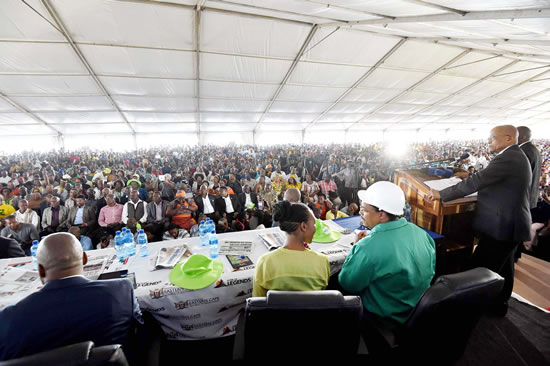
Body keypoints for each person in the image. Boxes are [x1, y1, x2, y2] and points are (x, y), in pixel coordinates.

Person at [428, 125, 531, 316]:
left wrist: (441, 194)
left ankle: (467, 311)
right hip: (511, 224)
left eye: (492, 138)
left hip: (502, 227)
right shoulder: (514, 156)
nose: (489, 142)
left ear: (508, 138)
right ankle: (498, 306)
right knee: (504, 269)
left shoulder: (509, 157)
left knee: (479, 270)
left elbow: (477, 182)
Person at [0, 232, 142, 361]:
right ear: (85, 258)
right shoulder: (121, 291)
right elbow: (139, 333)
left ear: (41, 270)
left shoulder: (8, 319)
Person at [339, 181, 435, 325]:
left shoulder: (367, 247)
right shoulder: (422, 234)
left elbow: (347, 283)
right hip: (419, 313)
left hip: (385, 319)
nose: (360, 212)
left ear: (382, 214)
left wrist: (356, 247)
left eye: (364, 210)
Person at [253, 201, 330, 297]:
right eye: (314, 224)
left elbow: (258, 302)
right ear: (303, 226)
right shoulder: (322, 261)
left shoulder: (264, 262)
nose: (315, 228)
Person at [517, 126, 542, 210]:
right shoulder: (534, 149)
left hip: (522, 199)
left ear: (523, 137)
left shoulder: (523, 151)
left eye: (515, 134)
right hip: (530, 197)